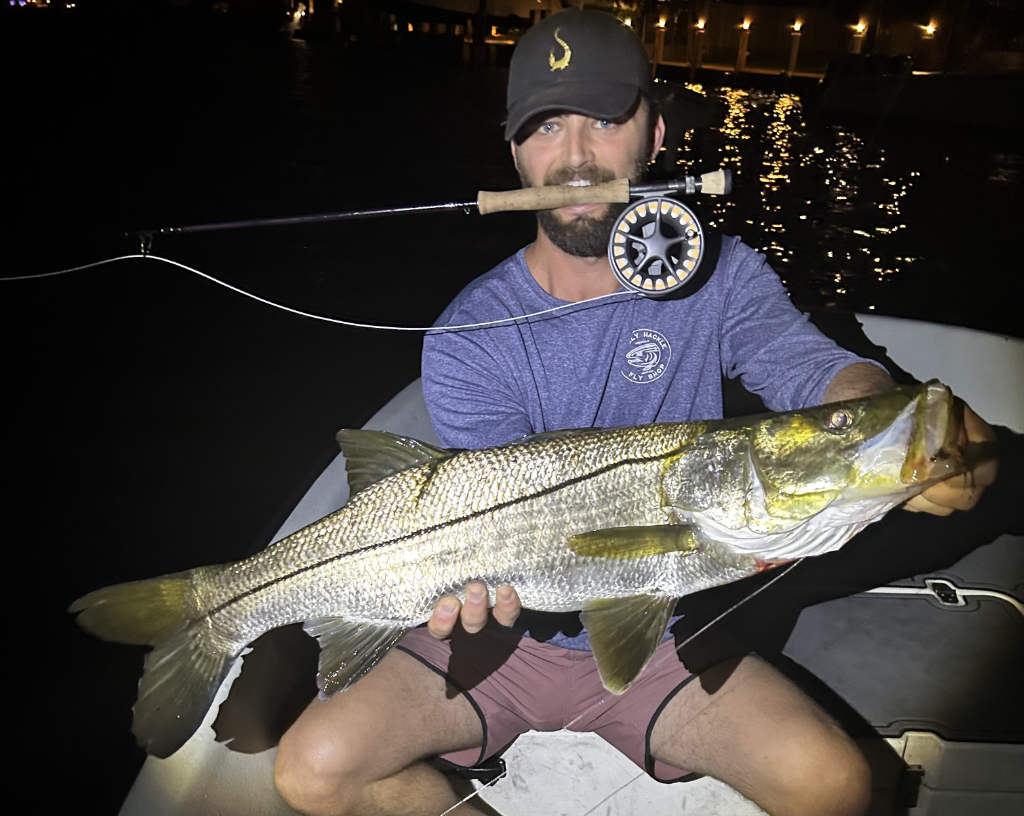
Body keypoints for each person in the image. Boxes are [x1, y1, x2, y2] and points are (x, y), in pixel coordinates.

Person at [274, 10, 997, 816]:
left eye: (607, 119)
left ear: (654, 135)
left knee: (834, 786)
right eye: (547, 126)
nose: (577, 156)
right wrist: (467, 594)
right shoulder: (467, 335)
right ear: (515, 153)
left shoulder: (722, 278)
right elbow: (503, 535)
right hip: (503, 643)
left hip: (668, 632)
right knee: (313, 770)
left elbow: (810, 368)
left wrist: (874, 419)